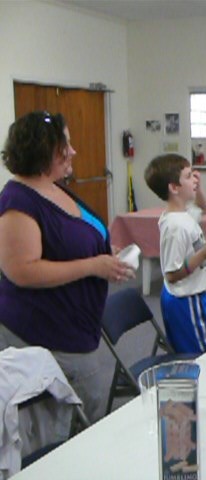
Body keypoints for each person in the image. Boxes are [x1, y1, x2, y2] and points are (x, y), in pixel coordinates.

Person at [0, 111, 135, 422]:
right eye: (66, 145)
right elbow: (22, 271)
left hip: (77, 329)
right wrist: (92, 265)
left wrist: (103, 252)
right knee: (79, 416)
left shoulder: (52, 186)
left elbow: (65, 241)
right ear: (43, 151)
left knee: (89, 405)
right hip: (48, 333)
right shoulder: (18, 202)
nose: (73, 151)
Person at [144, 154, 206, 354]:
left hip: (191, 295)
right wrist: (203, 254)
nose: (194, 179)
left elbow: (204, 207)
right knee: (205, 354)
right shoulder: (176, 226)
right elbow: (172, 274)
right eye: (188, 176)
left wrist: (198, 186)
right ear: (174, 187)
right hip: (186, 300)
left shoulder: (184, 211)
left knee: (199, 350)